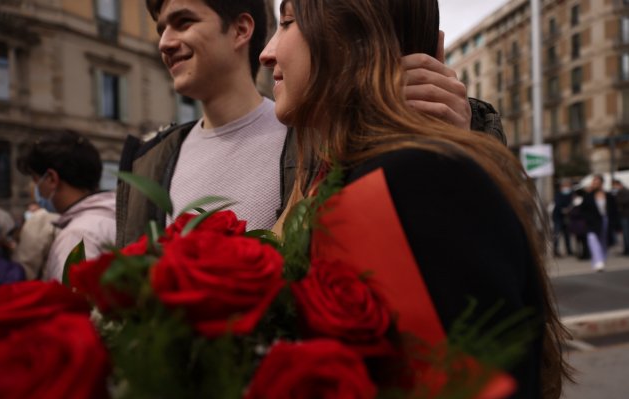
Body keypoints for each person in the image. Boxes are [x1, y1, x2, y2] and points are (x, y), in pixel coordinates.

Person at [259, 0, 570, 399]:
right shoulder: (348, 177)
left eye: (288, 22)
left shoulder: (413, 180)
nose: (268, 51)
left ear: (352, 38)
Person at [116, 0, 507, 247]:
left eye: (183, 22)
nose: (164, 42)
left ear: (241, 29)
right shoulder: (149, 157)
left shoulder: (312, 133)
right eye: (160, 28)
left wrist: (464, 144)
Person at [16, 130, 116, 281]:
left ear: (51, 179)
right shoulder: (115, 214)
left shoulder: (76, 237)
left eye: (36, 180)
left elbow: (72, 301)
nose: (34, 187)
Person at [579, 175, 620, 271]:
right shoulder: (588, 196)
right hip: (592, 222)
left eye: (597, 182)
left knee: (603, 241)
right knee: (592, 240)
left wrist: (616, 223)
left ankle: (601, 259)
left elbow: (614, 210)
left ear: (601, 183)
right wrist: (588, 218)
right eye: (594, 182)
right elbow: (582, 210)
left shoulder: (608, 196)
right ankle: (598, 261)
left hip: (605, 221)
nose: (595, 184)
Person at [11, 202, 59, 279]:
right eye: (30, 211)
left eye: (34, 211)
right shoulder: (23, 224)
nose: (32, 214)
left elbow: (28, 262)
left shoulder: (39, 223)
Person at [552, 179, 574, 257]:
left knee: (567, 235)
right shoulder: (558, 194)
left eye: (568, 186)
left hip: (567, 218)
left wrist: (569, 209)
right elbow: (558, 204)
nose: (567, 188)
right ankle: (555, 250)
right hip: (558, 218)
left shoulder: (571, 194)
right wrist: (564, 209)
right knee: (557, 234)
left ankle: (569, 250)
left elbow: (573, 203)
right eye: (565, 186)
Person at [612, 179, 629, 256]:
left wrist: (617, 201)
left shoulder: (624, 191)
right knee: (625, 233)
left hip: (625, 215)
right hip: (623, 215)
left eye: (614, 185)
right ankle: (626, 248)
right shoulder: (621, 191)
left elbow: (625, 201)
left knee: (626, 233)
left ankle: (627, 249)